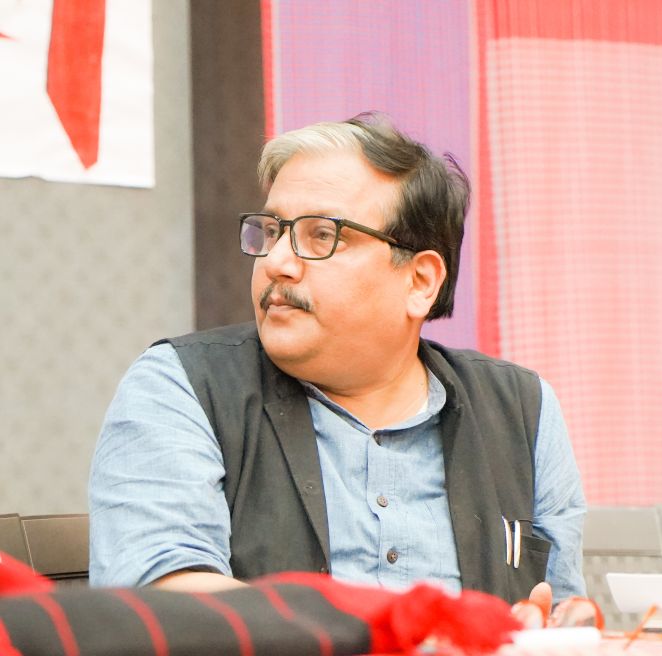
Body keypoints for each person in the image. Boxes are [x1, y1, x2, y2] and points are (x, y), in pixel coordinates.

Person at [88, 113, 586, 606]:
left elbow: (561, 610)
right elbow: (164, 601)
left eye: (322, 236)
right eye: (272, 231)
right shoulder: (183, 387)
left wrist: (569, 624)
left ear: (419, 282)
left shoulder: (523, 412)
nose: (276, 262)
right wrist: (395, 629)